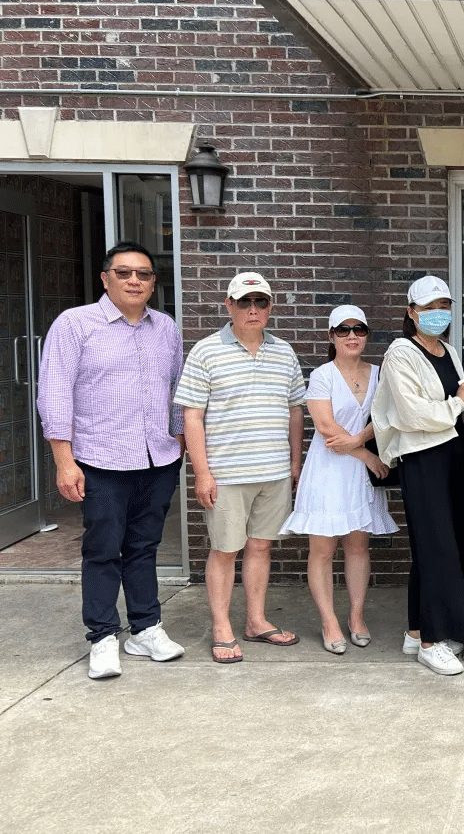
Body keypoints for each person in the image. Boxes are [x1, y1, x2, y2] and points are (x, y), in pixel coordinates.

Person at [36, 241, 186, 679]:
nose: (134, 280)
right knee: (102, 550)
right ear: (106, 278)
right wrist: (64, 460)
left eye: (143, 274)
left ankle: (145, 628)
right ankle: (102, 636)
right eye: (124, 273)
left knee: (144, 547)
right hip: (100, 459)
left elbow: (178, 389)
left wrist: (179, 442)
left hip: (157, 457)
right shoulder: (75, 324)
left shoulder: (166, 328)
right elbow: (55, 392)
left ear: (154, 283)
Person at [174, 272, 306, 663]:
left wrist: (294, 462)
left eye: (260, 302)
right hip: (226, 474)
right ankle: (221, 627)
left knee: (261, 547)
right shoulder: (205, 351)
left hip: (273, 472)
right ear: (229, 305)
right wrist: (202, 472)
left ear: (270, 307)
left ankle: (256, 621)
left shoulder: (284, 352)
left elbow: (295, 410)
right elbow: (191, 417)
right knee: (224, 550)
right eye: (244, 302)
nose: (253, 309)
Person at [372, 275, 464, 675]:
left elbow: (457, 396)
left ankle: (417, 630)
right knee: (438, 547)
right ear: (411, 311)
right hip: (422, 458)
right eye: (429, 308)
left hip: (451, 452)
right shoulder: (400, 353)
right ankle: (432, 643)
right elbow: (412, 414)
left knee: (437, 544)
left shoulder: (448, 350)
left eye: (443, 307)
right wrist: (458, 402)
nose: (438, 315)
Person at [280, 306, 398, 654]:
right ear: (331, 336)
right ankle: (329, 620)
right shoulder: (322, 375)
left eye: (359, 330)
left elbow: (389, 416)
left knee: (358, 545)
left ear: (366, 335)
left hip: (361, 476)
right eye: (343, 330)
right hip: (330, 470)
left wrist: (359, 443)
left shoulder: (380, 374)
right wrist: (365, 453)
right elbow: (326, 426)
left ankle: (356, 617)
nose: (351, 336)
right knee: (323, 549)